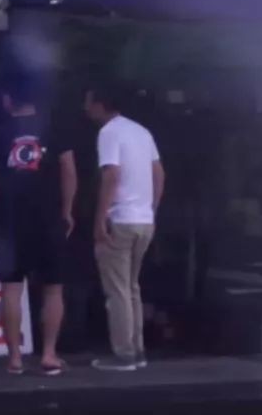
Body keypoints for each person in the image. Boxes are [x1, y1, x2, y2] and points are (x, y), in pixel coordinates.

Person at [0, 74, 77, 376]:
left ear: (8, 100)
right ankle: (49, 354)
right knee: (53, 289)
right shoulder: (54, 129)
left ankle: (15, 358)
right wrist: (67, 210)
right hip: (48, 217)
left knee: (10, 288)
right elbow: (69, 172)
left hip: (9, 220)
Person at [85, 82, 164, 371]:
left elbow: (111, 175)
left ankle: (124, 354)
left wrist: (99, 218)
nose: (85, 107)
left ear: (100, 105)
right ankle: (137, 350)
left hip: (120, 219)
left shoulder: (109, 132)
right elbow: (159, 173)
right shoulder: (142, 131)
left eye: (88, 101)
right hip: (144, 220)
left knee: (117, 290)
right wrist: (151, 209)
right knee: (131, 287)